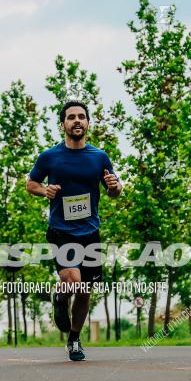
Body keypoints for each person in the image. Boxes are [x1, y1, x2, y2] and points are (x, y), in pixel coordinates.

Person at [26, 100, 122, 361]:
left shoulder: (99, 157)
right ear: (63, 124)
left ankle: (75, 339)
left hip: (90, 231)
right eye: (71, 117)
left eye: (81, 117)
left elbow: (113, 191)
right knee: (73, 282)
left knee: (85, 291)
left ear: (88, 123)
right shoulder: (50, 157)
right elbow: (31, 183)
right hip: (62, 231)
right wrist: (44, 190)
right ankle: (59, 297)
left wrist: (115, 186)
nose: (77, 121)